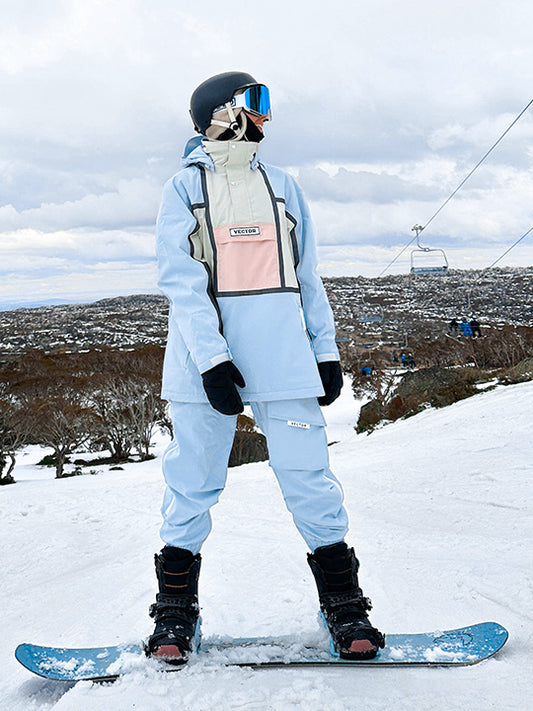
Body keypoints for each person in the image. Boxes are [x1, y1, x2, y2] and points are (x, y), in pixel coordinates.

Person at [147, 71, 385, 665]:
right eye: (254, 102)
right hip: (204, 362)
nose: (264, 115)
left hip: (282, 356)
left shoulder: (283, 185)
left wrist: (324, 350)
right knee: (192, 481)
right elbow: (181, 281)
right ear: (221, 113)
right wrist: (213, 360)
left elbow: (307, 275)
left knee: (309, 478)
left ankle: (344, 605)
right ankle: (175, 610)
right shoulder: (184, 188)